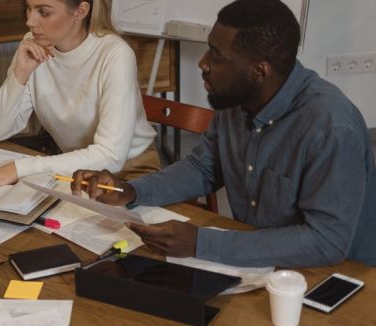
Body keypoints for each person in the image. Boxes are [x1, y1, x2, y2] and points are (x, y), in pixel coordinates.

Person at [72, 0, 376, 268]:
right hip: (259, 262)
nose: (203, 64)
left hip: (338, 279)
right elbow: (203, 169)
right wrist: (131, 191)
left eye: (217, 57)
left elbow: (327, 241)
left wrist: (201, 244)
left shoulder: (333, 128)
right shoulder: (238, 99)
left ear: (260, 70)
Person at [0, 0, 159, 192]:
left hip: (131, 171)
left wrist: (20, 168)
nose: (30, 21)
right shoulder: (32, 45)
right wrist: (20, 74)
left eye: (44, 12)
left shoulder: (115, 54)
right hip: (74, 168)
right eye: (28, 9)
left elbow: (111, 155)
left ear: (80, 11)